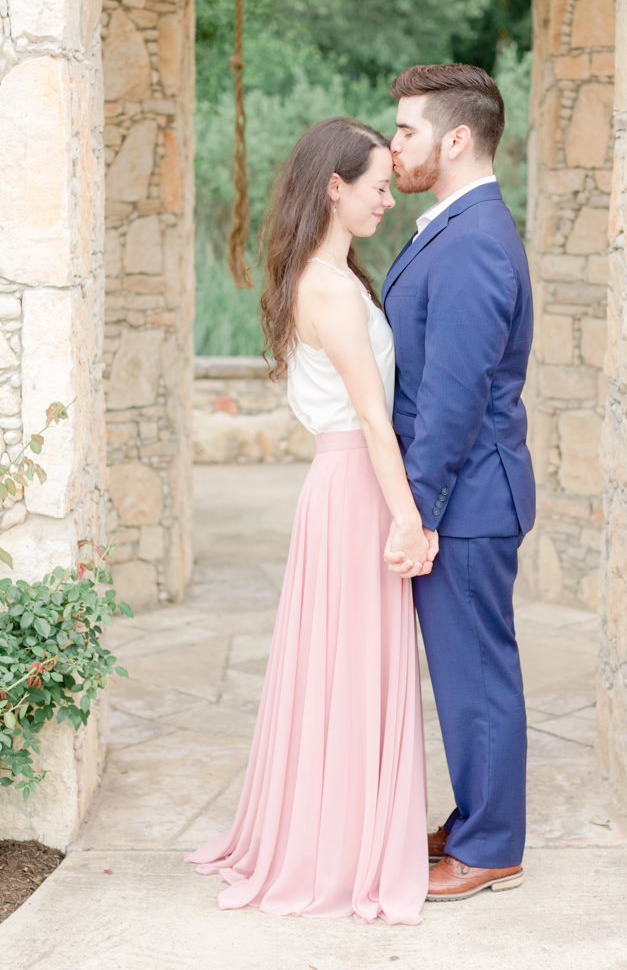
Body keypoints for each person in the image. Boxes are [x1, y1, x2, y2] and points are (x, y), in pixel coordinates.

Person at [185, 118, 434, 925]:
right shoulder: (329, 288)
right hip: (357, 485)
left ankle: (336, 832)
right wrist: (408, 520)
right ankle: (339, 849)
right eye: (376, 187)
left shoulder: (322, 275)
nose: (388, 201)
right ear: (335, 187)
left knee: (343, 667)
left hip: (340, 484)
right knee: (352, 668)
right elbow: (372, 418)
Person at [383, 64, 536, 901]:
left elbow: (453, 395)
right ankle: (479, 815)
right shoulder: (452, 223)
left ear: (454, 138)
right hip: (463, 495)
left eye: (405, 129)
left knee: (476, 671)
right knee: (466, 669)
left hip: (468, 500)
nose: (395, 143)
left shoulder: (475, 237)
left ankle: (490, 847)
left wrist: (419, 508)